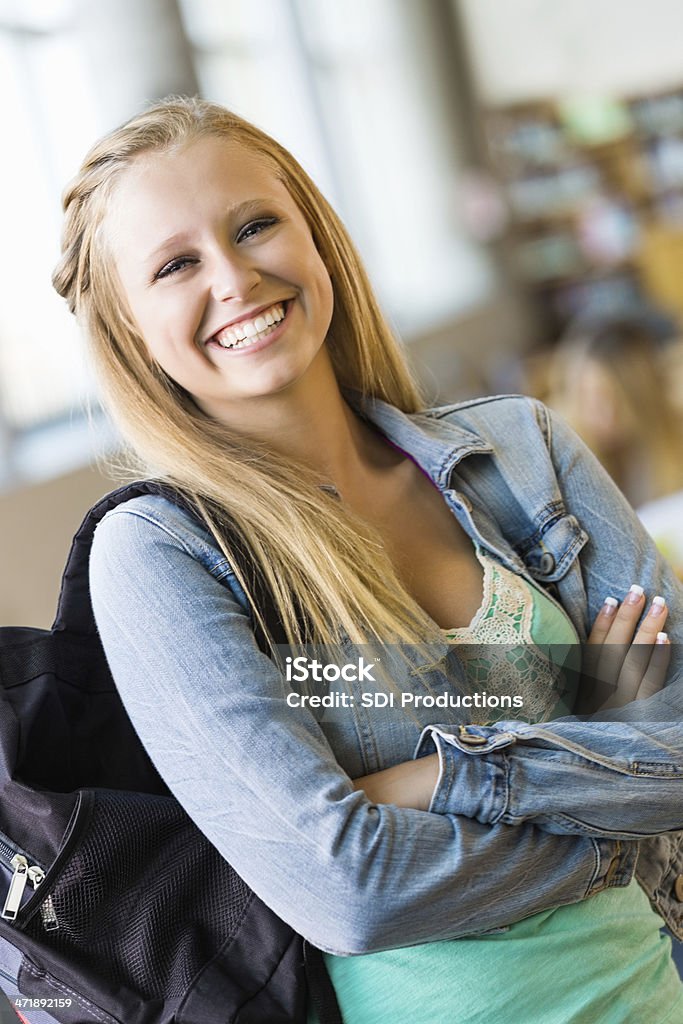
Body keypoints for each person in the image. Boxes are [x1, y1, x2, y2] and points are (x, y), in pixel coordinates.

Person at [52, 97, 683, 1023]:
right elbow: (350, 891)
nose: (233, 278)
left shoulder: (522, 449)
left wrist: (437, 779)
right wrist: (606, 772)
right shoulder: (158, 554)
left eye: (256, 225)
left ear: (316, 237)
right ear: (128, 328)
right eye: (177, 265)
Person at [546, 317, 683, 508]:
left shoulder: (673, 436)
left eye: (612, 400)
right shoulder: (560, 449)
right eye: (586, 398)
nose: (600, 415)